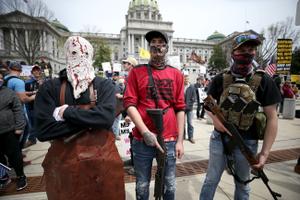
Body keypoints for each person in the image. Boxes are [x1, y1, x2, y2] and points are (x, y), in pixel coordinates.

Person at [34, 36, 125, 200]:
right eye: (74, 52)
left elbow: (105, 118)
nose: (79, 58)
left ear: (90, 56)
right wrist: (91, 121)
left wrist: (67, 112)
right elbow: (43, 130)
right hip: (64, 167)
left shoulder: (104, 85)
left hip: (103, 167)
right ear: (67, 54)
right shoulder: (50, 88)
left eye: (85, 53)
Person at [200, 32, 282, 200]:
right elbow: (207, 103)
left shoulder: (264, 80)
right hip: (220, 139)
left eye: (251, 48)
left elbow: (272, 118)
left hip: (248, 142)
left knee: (243, 185)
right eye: (242, 49)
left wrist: (265, 153)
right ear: (233, 53)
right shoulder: (221, 78)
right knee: (211, 180)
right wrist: (215, 121)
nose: (247, 52)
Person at [124, 30, 185, 200]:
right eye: (153, 42)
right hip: (142, 140)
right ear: (149, 47)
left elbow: (180, 108)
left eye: (161, 42)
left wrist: (180, 140)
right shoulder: (136, 72)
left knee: (169, 184)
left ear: (167, 47)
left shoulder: (177, 74)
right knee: (142, 184)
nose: (157, 45)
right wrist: (145, 132)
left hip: (170, 140)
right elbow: (129, 104)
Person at [0, 72, 27, 191]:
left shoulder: (9, 93)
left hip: (9, 131)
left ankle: (21, 176)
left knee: (14, 156)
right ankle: (3, 178)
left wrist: (19, 127)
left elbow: (18, 109)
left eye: (1, 78)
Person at [24, 65, 44, 148]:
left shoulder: (43, 81)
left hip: (41, 105)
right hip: (31, 105)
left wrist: (42, 85)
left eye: (37, 70)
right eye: (34, 71)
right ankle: (32, 139)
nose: (36, 72)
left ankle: (35, 137)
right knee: (32, 123)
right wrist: (33, 93)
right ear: (32, 72)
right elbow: (24, 93)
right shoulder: (28, 82)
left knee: (39, 122)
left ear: (40, 72)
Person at [183, 73, 196, 143]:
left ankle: (191, 137)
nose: (186, 80)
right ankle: (183, 136)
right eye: (184, 78)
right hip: (182, 108)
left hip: (189, 108)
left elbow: (194, 98)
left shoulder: (192, 87)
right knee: (182, 123)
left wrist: (189, 105)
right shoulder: (181, 86)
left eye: (187, 79)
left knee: (190, 123)